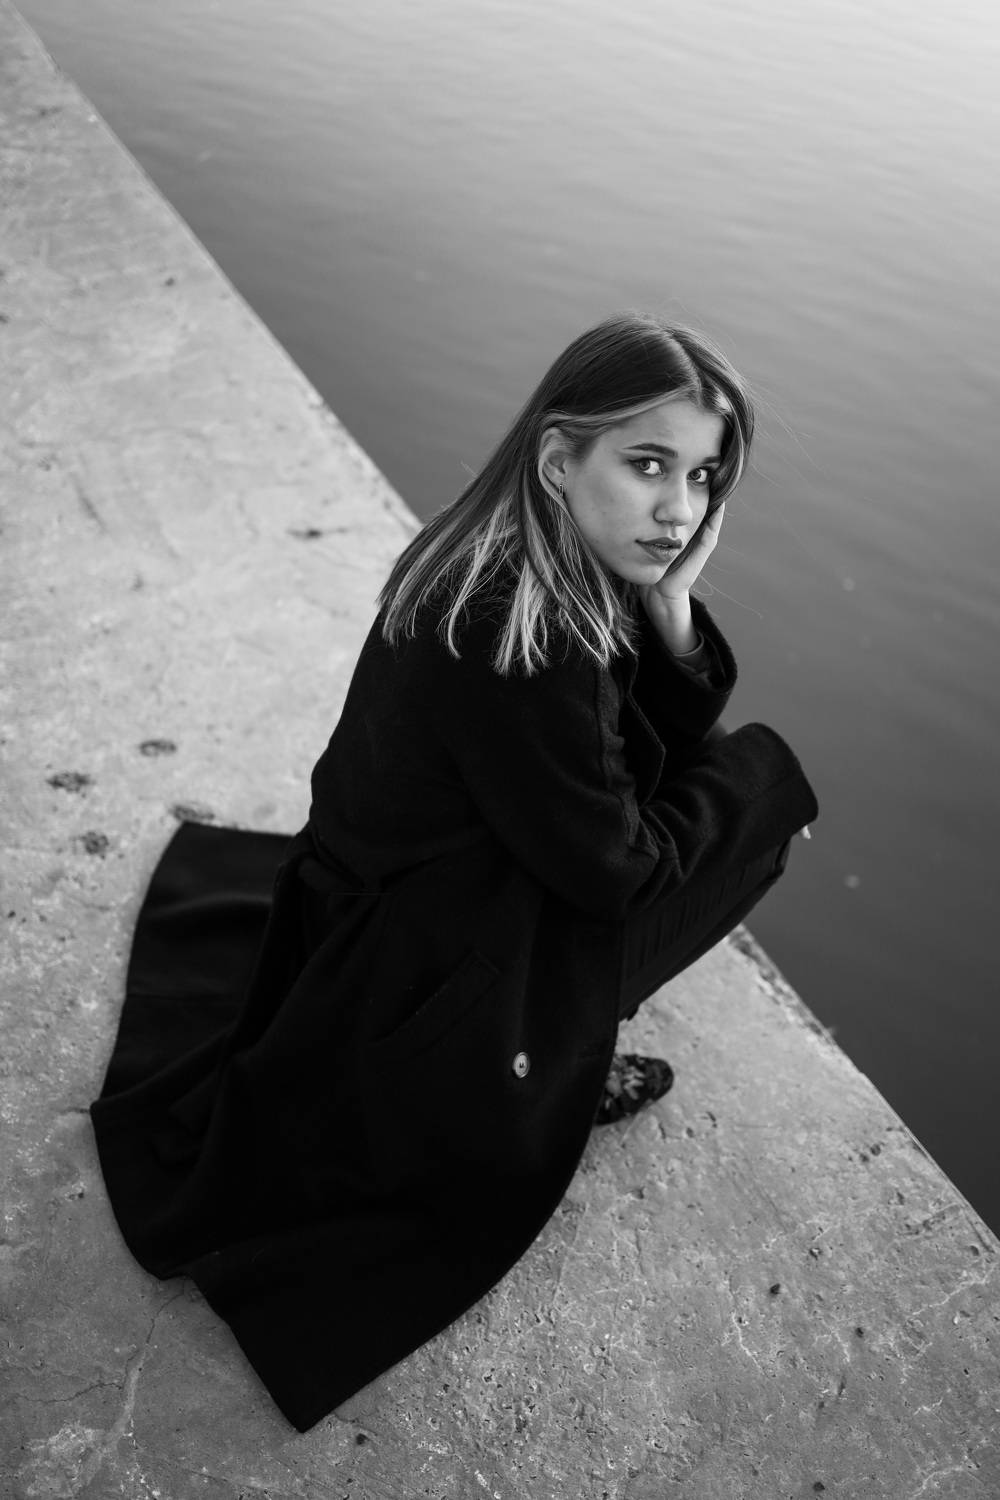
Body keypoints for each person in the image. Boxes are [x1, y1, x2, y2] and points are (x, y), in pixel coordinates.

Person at [91, 311, 818, 1431]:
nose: (681, 510)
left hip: (375, 917)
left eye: (703, 476)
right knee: (758, 813)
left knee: (724, 788)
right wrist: (765, 785)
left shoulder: (497, 556)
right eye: (647, 464)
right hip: (412, 985)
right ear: (559, 457)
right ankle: (547, 1068)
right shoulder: (530, 639)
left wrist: (672, 617)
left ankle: (553, 1040)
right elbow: (621, 871)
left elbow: (625, 759)